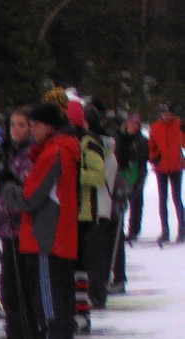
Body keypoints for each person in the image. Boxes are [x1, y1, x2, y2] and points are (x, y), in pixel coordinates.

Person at [2, 101, 80, 339]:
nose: (31, 129)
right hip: (58, 233)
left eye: (35, 124)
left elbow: (30, 196)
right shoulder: (63, 148)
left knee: (47, 296)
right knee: (61, 293)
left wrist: (7, 189)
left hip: (47, 235)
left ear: (49, 126)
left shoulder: (54, 151)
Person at [0, 107, 36, 339]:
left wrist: (0, 195)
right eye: (13, 125)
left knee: (21, 288)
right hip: (7, 228)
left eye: (21, 125)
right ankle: (15, 336)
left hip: (24, 229)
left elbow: (24, 193)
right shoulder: (7, 151)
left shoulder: (31, 153)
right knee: (9, 289)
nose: (16, 130)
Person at [73, 103, 117, 309]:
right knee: (97, 255)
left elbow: (99, 176)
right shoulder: (103, 144)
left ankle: (97, 294)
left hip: (95, 206)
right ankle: (97, 293)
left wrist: (75, 174)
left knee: (94, 256)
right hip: (101, 205)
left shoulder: (92, 145)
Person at [148, 103, 184, 242]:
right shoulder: (155, 127)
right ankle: (165, 230)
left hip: (176, 166)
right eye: (164, 113)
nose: (166, 116)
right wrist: (153, 158)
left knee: (177, 198)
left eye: (168, 113)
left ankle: (182, 229)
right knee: (162, 199)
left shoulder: (179, 125)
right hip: (161, 167)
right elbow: (151, 146)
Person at [116, 111, 150, 243]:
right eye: (130, 123)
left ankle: (134, 230)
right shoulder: (122, 138)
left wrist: (136, 154)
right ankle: (120, 229)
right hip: (124, 173)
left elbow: (146, 156)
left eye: (134, 123)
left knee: (136, 202)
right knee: (122, 201)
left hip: (137, 173)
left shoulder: (142, 140)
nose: (132, 126)